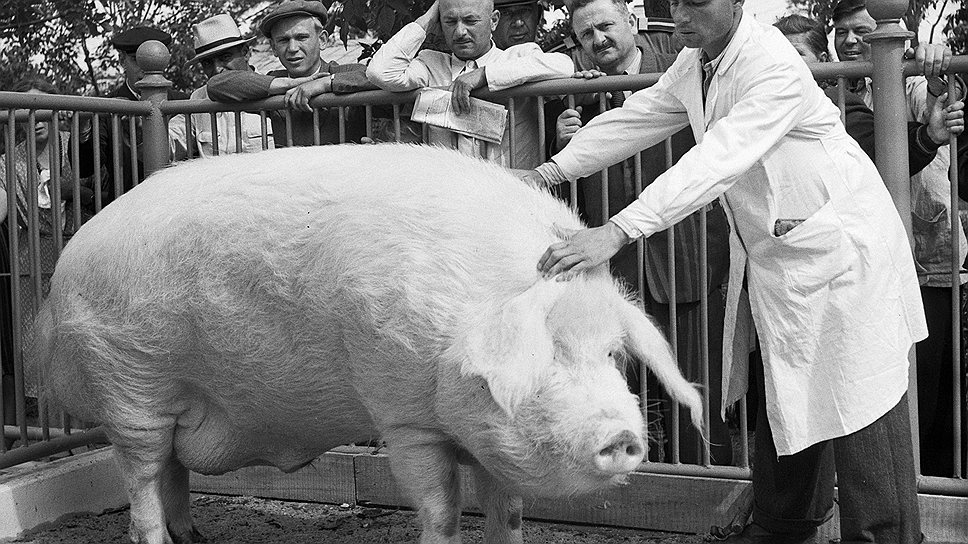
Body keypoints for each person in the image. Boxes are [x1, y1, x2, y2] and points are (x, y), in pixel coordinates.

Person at [520, 0, 929, 541]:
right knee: (790, 390)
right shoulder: (698, 64)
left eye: (697, 1)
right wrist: (549, 171)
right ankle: (783, 525)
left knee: (865, 400)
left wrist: (619, 229)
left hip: (844, 254)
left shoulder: (772, 65)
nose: (682, 15)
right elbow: (636, 118)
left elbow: (715, 160)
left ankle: (887, 536)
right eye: (675, 3)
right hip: (788, 258)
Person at [549, 0, 731, 466]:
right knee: (623, 391)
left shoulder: (680, 71)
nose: (598, 40)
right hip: (614, 272)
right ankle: (635, 481)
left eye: (605, 26)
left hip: (686, 259)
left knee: (695, 387)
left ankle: (705, 483)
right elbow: (567, 197)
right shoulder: (574, 95)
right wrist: (563, 142)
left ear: (631, 23)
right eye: (585, 34)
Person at [833, 0, 967, 478]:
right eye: (842, 31)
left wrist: (938, 67)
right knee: (901, 392)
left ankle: (936, 496)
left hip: (937, 264)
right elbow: (875, 155)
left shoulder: (916, 83)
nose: (851, 41)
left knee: (944, 403)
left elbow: (944, 122)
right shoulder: (838, 96)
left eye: (863, 31)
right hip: (877, 269)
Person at [366, 0, 573, 169]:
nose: (460, 32)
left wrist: (484, 75)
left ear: (493, 21)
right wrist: (427, 20)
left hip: (512, 197)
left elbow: (564, 66)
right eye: (450, 21)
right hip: (453, 202)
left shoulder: (519, 57)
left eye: (470, 21)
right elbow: (380, 72)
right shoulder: (431, 65)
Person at [1, 77, 93, 440]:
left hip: (78, 252)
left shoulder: (75, 147)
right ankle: (55, 440)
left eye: (44, 109)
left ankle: (88, 436)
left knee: (80, 340)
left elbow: (104, 186)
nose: (37, 117)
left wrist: (77, 191)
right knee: (40, 348)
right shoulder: (10, 157)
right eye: (27, 110)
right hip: (30, 263)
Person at [206, 0, 376, 147]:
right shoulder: (274, 80)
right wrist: (293, 84)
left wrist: (324, 83)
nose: (292, 49)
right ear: (273, 47)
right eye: (283, 40)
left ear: (322, 40)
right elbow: (216, 85)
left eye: (302, 37)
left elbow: (376, 76)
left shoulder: (341, 72)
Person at [78, 26, 188, 206]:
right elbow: (85, 168)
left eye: (152, 60)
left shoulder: (183, 103)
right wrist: (83, 129)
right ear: (122, 61)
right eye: (136, 60)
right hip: (126, 210)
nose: (145, 67)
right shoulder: (107, 107)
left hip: (175, 207)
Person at [169, 14, 274, 158]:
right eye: (207, 63)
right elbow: (173, 140)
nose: (217, 69)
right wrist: (145, 126)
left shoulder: (274, 90)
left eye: (225, 57)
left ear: (245, 52)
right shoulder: (198, 98)